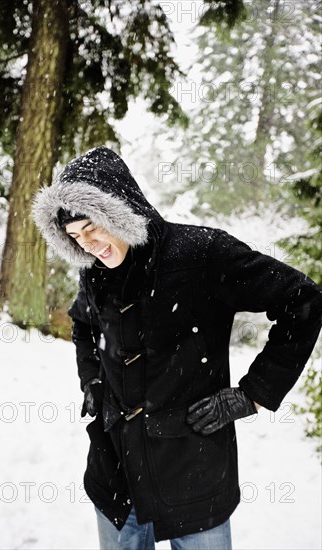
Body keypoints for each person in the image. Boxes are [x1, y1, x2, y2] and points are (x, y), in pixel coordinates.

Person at [31, 145, 322, 549]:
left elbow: (302, 301)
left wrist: (254, 395)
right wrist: (92, 381)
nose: (89, 244)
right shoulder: (95, 273)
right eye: (76, 236)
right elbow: (83, 324)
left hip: (194, 477)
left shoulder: (202, 254)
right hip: (115, 477)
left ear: (117, 208)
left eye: (91, 227)